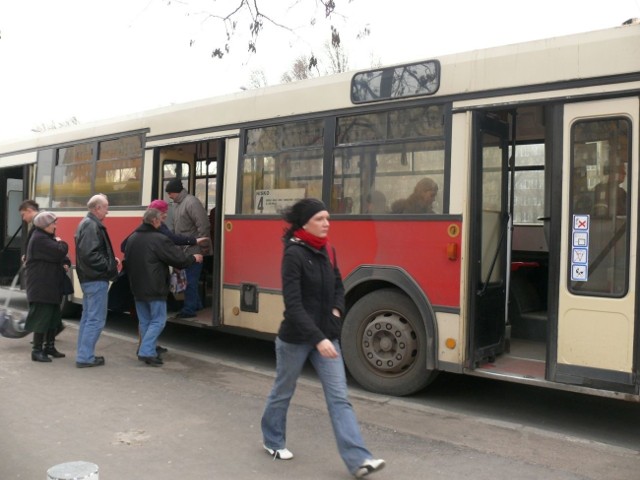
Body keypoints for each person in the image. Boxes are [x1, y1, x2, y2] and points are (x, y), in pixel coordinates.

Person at [260, 198, 385, 478]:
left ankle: (359, 460)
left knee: (340, 398)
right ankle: (272, 439)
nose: (327, 223)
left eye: (328, 218)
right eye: (320, 219)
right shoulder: (293, 254)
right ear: (305, 223)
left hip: (326, 337)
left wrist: (336, 313)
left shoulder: (329, 250)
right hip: (295, 339)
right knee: (283, 390)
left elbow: (339, 285)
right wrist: (318, 339)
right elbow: (293, 305)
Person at [125, 208, 203, 366]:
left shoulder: (132, 238)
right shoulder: (159, 239)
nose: (161, 224)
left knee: (145, 321)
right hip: (155, 287)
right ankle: (146, 351)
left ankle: (149, 349)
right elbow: (178, 259)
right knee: (158, 321)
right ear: (154, 221)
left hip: (137, 286)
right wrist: (193, 258)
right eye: (160, 221)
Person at [74, 194, 119, 368]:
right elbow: (90, 254)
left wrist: (109, 260)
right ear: (97, 208)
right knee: (95, 319)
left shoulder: (86, 224)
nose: (108, 212)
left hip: (89, 278)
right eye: (106, 207)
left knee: (88, 318)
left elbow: (89, 253)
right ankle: (85, 357)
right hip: (96, 279)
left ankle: (84, 354)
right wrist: (109, 265)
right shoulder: (91, 225)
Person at [24, 211, 71, 362]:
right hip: (41, 286)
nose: (55, 226)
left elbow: (62, 257)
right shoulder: (39, 239)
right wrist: (61, 242)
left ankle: (49, 346)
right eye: (53, 223)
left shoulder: (46, 238)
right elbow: (61, 250)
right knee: (41, 318)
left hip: (50, 285)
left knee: (53, 317)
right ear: (44, 225)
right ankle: (36, 350)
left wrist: (65, 263)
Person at [165, 179, 211, 319]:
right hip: (186, 249)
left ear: (175, 192)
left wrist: (203, 248)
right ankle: (196, 304)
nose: (169, 196)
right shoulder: (179, 203)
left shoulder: (191, 203)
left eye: (170, 193)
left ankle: (189, 309)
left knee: (190, 281)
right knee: (189, 279)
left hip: (194, 250)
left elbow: (203, 226)